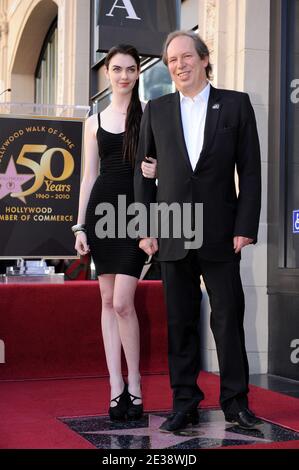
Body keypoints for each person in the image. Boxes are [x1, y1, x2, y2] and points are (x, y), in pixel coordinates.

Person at [134, 30, 262, 432]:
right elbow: (143, 175)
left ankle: (236, 402)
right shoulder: (155, 109)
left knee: (228, 317)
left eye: (186, 57)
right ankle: (184, 401)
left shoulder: (236, 105)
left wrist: (245, 226)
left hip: (222, 232)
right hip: (171, 231)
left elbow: (252, 172)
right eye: (171, 60)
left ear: (204, 59)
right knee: (180, 321)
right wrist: (143, 226)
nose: (179, 65)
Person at [73, 44, 157, 421]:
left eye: (130, 69)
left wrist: (157, 172)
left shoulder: (151, 113)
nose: (124, 75)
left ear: (138, 73)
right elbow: (89, 176)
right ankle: (115, 388)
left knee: (123, 302)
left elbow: (165, 163)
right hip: (102, 216)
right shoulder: (93, 121)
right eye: (117, 69)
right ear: (107, 73)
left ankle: (136, 384)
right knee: (107, 304)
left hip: (137, 217)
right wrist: (79, 227)